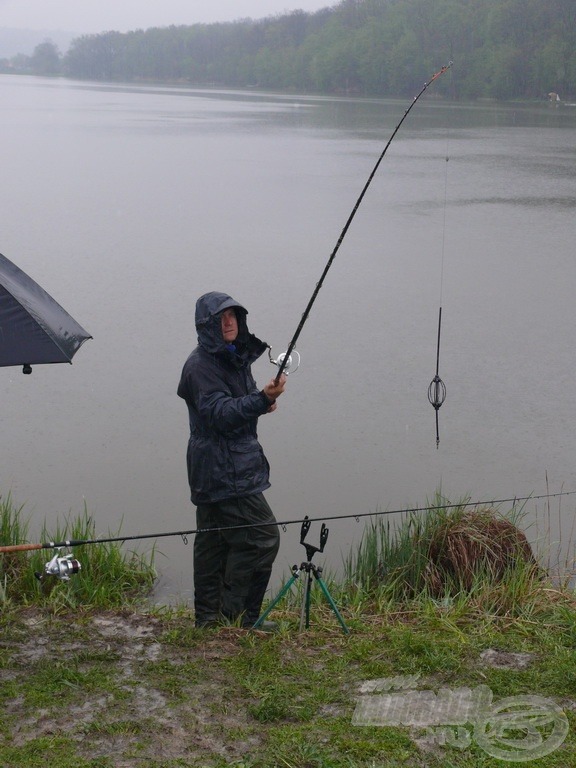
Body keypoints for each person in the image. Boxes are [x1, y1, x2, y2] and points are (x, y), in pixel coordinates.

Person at [177, 291, 287, 628]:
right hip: (225, 470)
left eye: (233, 316)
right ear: (206, 325)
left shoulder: (230, 358)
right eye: (221, 318)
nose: (229, 322)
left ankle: (208, 620)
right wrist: (258, 400)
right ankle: (240, 616)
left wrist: (260, 402)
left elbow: (235, 406)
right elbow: (219, 413)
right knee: (263, 537)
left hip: (217, 466)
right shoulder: (200, 366)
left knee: (215, 542)